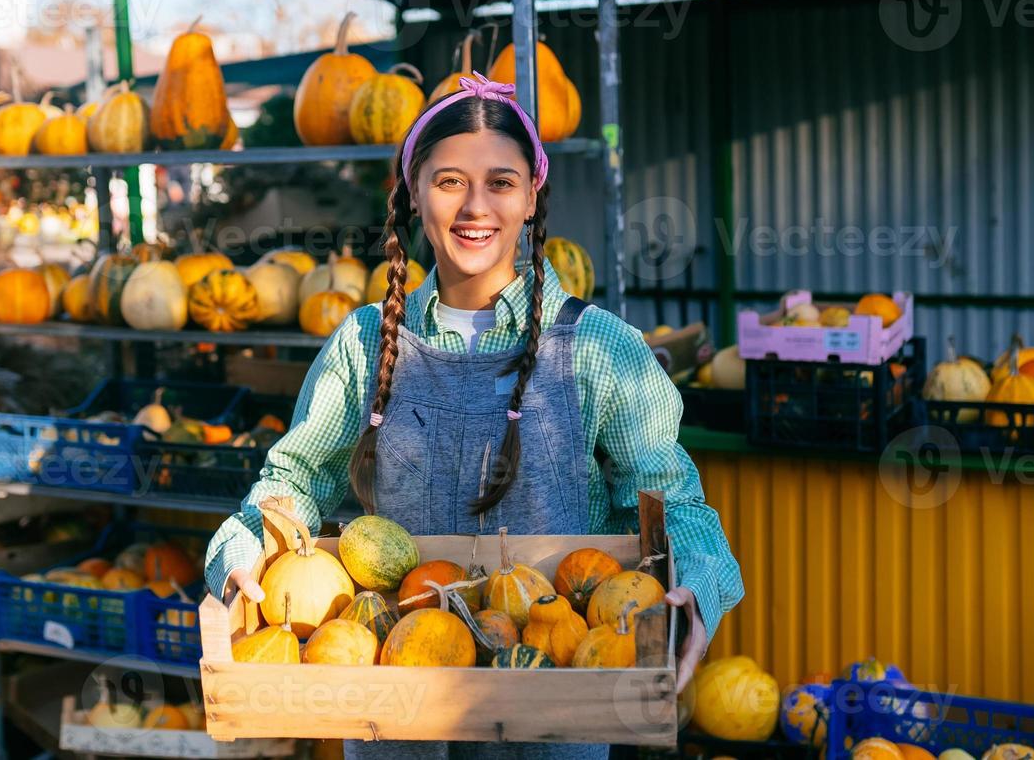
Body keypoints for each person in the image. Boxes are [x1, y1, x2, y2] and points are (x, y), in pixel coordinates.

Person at [204, 74, 743, 758]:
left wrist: (696, 588)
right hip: (393, 714)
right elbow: (297, 478)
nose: (474, 206)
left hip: (556, 717)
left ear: (530, 198)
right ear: (412, 193)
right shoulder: (367, 343)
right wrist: (241, 557)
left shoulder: (601, 346)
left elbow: (672, 500)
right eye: (449, 180)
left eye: (501, 182)